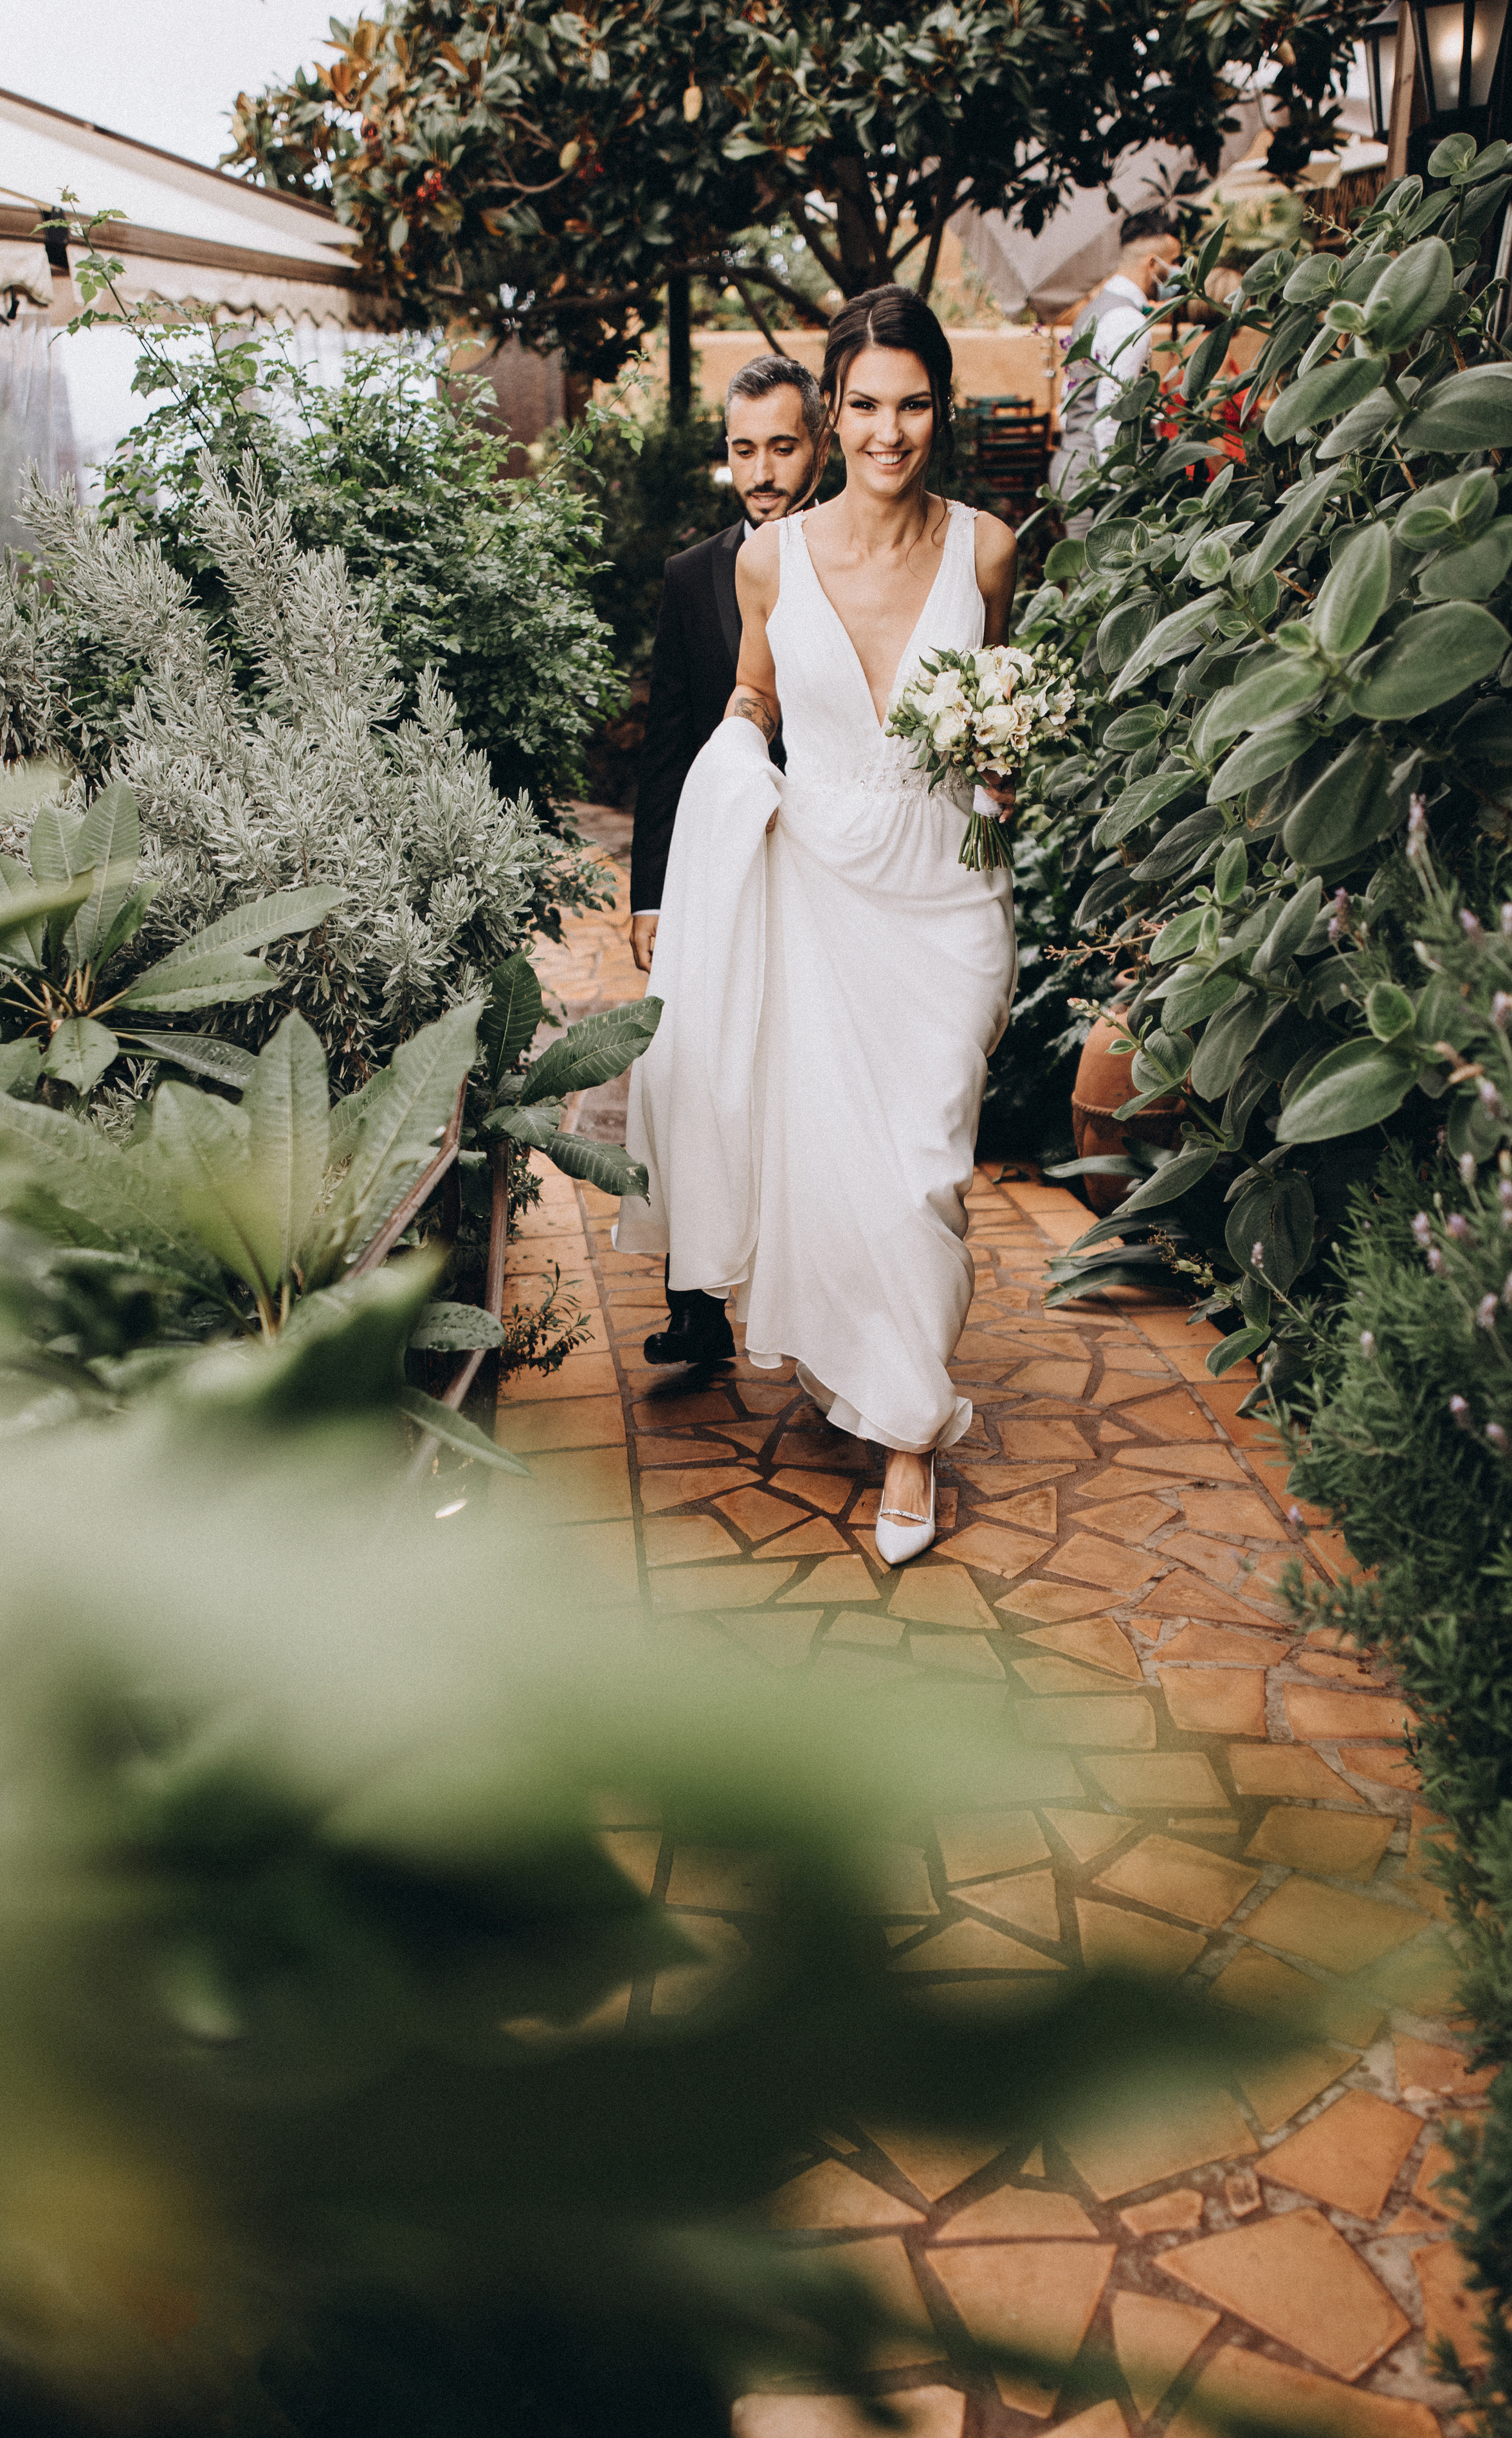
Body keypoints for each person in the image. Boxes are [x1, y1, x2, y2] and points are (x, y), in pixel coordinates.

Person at [617, 286, 1019, 1569]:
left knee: (923, 1159)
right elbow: (748, 695)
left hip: (947, 897)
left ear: (938, 409)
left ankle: (901, 1406)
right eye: (862, 406)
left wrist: (1007, 763)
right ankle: (898, 1415)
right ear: (829, 408)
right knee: (842, 1161)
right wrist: (735, 775)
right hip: (820, 881)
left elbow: (998, 702)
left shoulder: (990, 550)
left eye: (910, 405)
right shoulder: (765, 559)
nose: (886, 433)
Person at [628, 353, 826, 1367]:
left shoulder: (854, 556)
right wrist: (652, 894)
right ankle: (696, 1303)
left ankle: (816, 1297)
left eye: (781, 446)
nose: (761, 469)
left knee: (800, 1077)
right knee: (690, 1065)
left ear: (819, 443)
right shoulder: (690, 576)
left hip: (829, 860)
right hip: (715, 862)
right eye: (743, 450)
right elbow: (667, 742)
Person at [1048, 210, 1181, 534]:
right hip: (1097, 475)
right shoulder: (1128, 321)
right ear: (1153, 264)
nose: (1177, 273)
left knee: (1084, 577)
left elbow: (1071, 399)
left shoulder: (1094, 310)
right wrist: (1120, 487)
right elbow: (1113, 412)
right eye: (1173, 263)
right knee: (1102, 580)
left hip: (1072, 462)